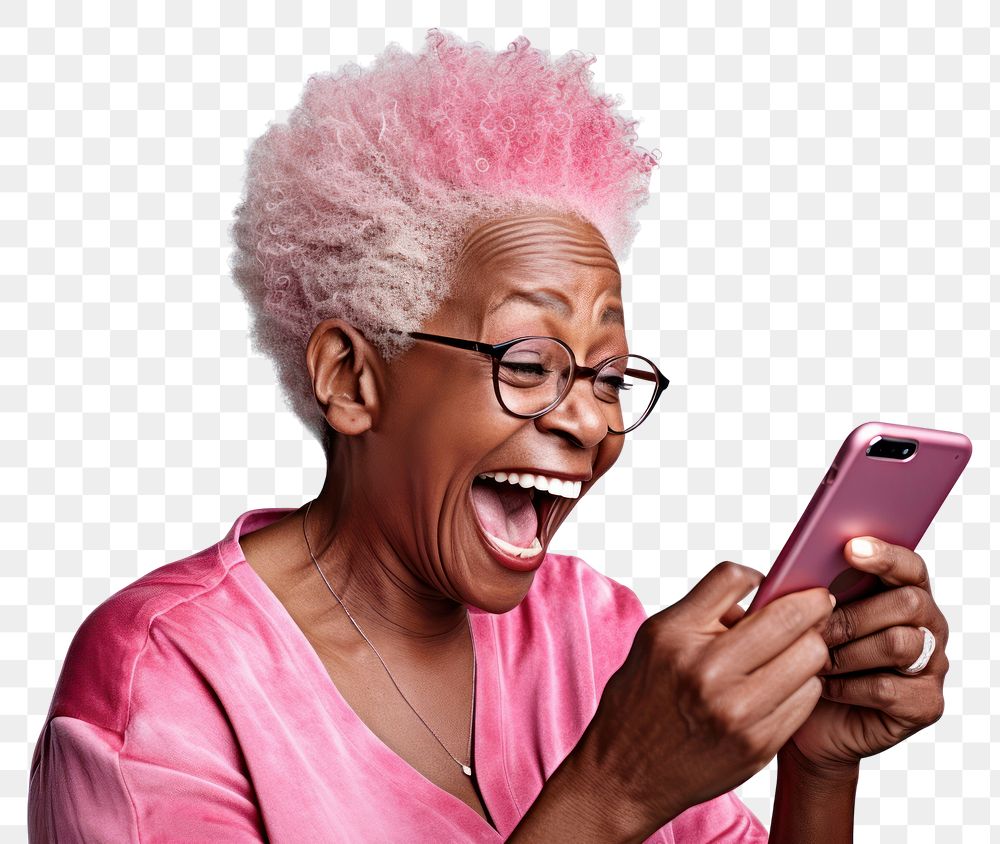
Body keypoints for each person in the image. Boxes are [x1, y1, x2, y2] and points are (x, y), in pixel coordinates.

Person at [27, 30, 948, 842]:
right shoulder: (163, 685)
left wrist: (820, 768)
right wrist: (614, 792)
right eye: (529, 363)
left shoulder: (598, 634)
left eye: (610, 377)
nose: (591, 420)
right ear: (352, 377)